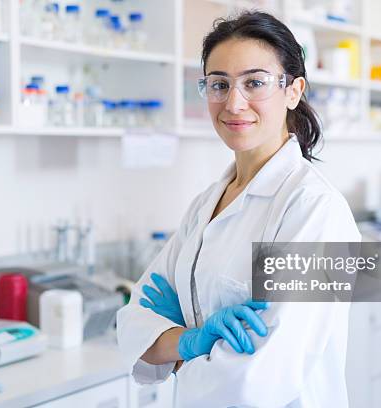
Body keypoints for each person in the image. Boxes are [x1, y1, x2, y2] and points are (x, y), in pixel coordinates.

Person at [117, 11, 360, 408]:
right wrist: (195, 342)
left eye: (255, 83)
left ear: (293, 90)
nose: (233, 102)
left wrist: (177, 351)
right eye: (219, 84)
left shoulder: (317, 211)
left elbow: (259, 380)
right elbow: (131, 324)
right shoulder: (206, 205)